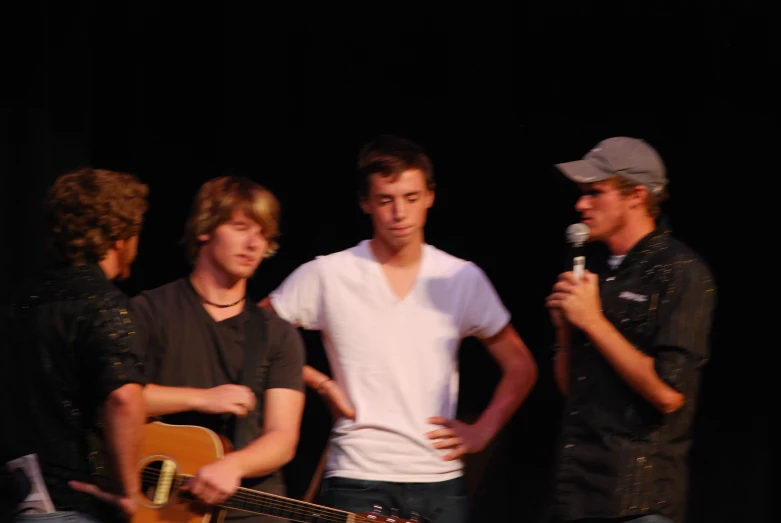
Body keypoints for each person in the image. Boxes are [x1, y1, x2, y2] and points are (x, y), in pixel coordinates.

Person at [259, 135, 538, 523]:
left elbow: (521, 365)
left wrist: (482, 431)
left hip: (439, 480)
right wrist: (319, 382)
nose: (399, 213)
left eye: (410, 197)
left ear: (429, 197)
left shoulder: (459, 277)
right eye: (386, 200)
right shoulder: (331, 273)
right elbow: (255, 332)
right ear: (366, 203)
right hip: (358, 475)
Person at [545, 137, 717, 523]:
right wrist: (564, 333)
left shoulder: (680, 272)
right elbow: (571, 389)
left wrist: (593, 321)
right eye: (581, 194)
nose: (581, 205)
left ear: (636, 195)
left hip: (637, 504)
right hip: (575, 493)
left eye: (595, 193)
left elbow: (669, 394)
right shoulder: (598, 273)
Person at [127, 176, 306, 523]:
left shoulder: (276, 334)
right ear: (206, 229)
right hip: (165, 507)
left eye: (263, 234)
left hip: (252, 510)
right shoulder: (149, 311)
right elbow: (118, 399)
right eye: (241, 227)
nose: (254, 243)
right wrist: (202, 398)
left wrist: (232, 465)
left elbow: (282, 437)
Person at [0, 168, 149, 523]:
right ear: (120, 237)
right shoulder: (105, 303)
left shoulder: (17, 302)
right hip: (72, 505)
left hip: (16, 499)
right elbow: (123, 398)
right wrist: (130, 493)